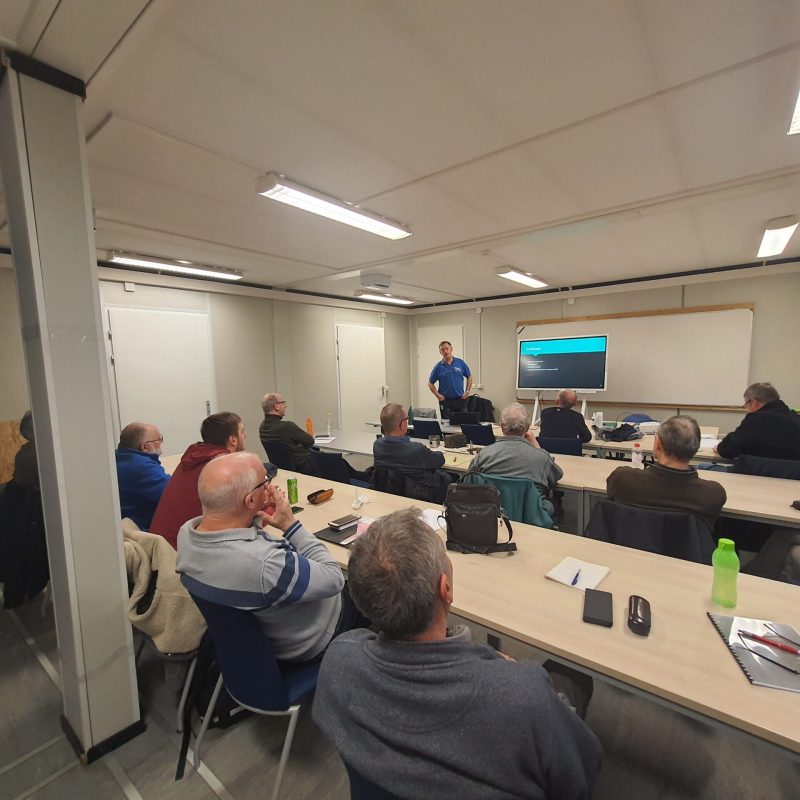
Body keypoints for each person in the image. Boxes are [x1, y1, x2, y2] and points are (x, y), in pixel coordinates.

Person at [313, 509, 602, 799]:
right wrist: (513, 678)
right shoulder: (523, 696)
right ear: (446, 588)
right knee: (572, 677)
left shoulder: (339, 662)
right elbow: (580, 777)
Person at [176, 452, 366, 662]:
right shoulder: (265, 564)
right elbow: (334, 579)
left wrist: (252, 517)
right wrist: (291, 526)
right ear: (249, 500)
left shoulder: (187, 535)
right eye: (266, 482)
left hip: (258, 636)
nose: (270, 487)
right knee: (372, 584)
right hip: (315, 637)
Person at [607, 415, 726, 532]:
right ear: (696, 447)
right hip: (686, 551)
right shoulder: (713, 494)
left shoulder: (623, 478)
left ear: (658, 444)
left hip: (629, 547)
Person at [149, 411, 246, 548]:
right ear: (233, 440)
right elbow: (245, 513)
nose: (245, 435)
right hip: (182, 555)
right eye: (242, 432)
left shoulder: (193, 456)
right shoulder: (223, 466)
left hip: (161, 547)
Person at [468, 403, 563, 516]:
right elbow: (557, 475)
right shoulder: (541, 457)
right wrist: (538, 447)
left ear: (502, 426)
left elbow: (470, 478)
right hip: (531, 517)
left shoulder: (483, 454)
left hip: (490, 515)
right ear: (527, 428)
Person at [373, 403, 453, 503]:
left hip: (391, 492)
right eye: (407, 419)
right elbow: (439, 461)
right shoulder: (416, 449)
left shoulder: (377, 445)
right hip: (422, 494)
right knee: (448, 477)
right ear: (402, 425)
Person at [715, 383, 800, 461]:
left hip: (755, 474)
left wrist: (719, 447)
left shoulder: (755, 420)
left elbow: (727, 450)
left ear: (753, 402)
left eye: (746, 405)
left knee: (706, 466)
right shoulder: (796, 418)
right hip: (792, 476)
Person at [115, 422, 170, 530]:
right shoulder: (141, 467)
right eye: (159, 440)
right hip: (144, 530)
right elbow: (173, 492)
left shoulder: (117, 458)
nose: (161, 443)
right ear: (145, 446)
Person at [259, 393, 317, 472]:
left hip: (282, 470)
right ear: (277, 406)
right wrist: (298, 444)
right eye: (283, 403)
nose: (285, 406)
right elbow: (310, 440)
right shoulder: (287, 426)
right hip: (304, 468)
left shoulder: (262, 428)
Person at [428, 340, 472, 415]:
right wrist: (438, 395)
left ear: (451, 349)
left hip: (460, 399)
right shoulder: (438, 367)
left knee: (464, 422)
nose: (445, 351)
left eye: (447, 348)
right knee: (447, 425)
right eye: (442, 350)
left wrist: (467, 392)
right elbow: (430, 383)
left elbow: (469, 377)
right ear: (440, 352)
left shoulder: (460, 363)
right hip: (445, 401)